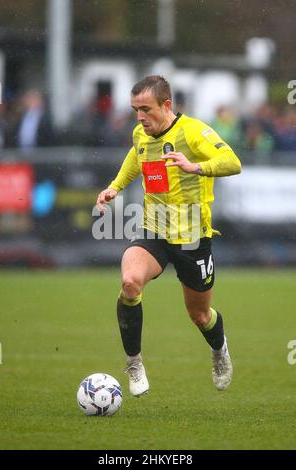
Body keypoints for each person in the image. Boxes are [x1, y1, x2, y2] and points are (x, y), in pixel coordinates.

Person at [96, 75, 241, 397]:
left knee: (200, 315)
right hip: (154, 227)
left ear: (166, 105)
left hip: (192, 234)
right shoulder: (140, 134)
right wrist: (114, 187)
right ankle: (134, 362)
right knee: (130, 283)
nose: (140, 117)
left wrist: (195, 167)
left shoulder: (192, 131)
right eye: (135, 110)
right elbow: (137, 156)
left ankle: (219, 350)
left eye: (145, 109)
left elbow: (232, 162)